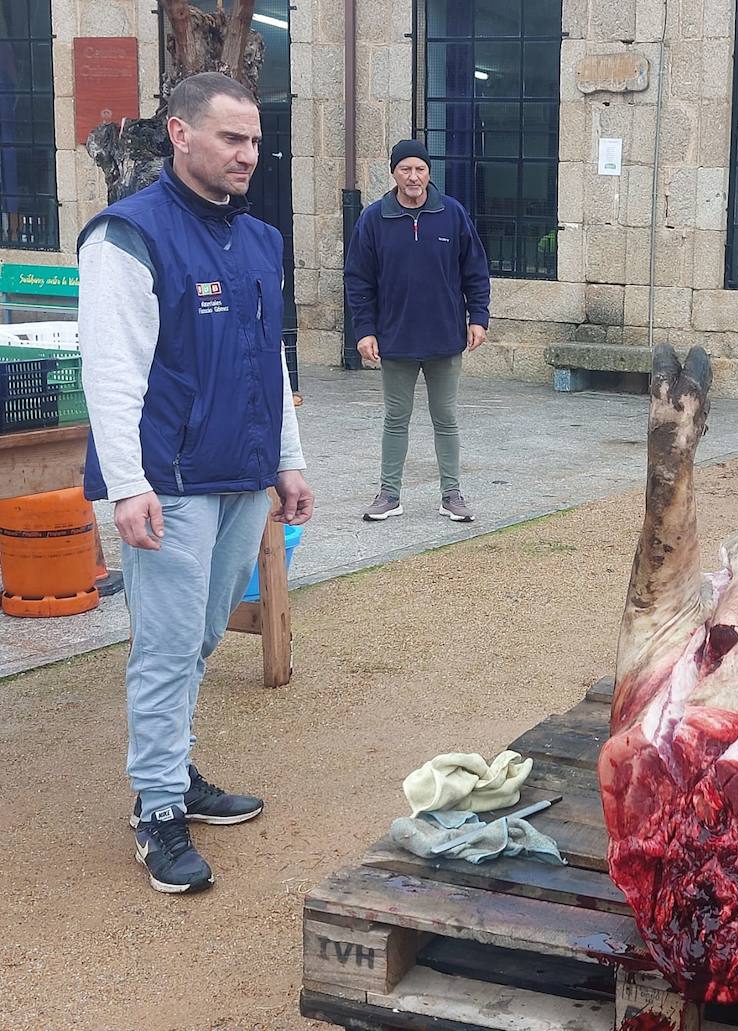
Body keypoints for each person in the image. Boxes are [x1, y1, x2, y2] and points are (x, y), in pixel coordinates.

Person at [78, 72, 314, 895]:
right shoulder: (127, 235)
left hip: (241, 476)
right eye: (230, 138)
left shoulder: (258, 241)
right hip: (168, 485)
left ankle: (175, 771)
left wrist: (290, 460)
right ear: (179, 134)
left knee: (204, 635)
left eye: (254, 140)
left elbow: (269, 356)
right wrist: (126, 483)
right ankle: (155, 808)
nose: (249, 153)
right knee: (166, 647)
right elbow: (110, 372)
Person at [344, 140, 491, 523]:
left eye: (420, 169)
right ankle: (389, 494)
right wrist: (364, 330)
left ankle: (452, 494)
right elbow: (358, 280)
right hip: (395, 340)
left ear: (429, 173)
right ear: (393, 172)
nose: (414, 177)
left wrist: (478, 317)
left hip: (444, 338)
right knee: (396, 418)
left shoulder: (452, 215)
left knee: (446, 418)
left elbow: (475, 270)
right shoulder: (374, 220)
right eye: (406, 169)